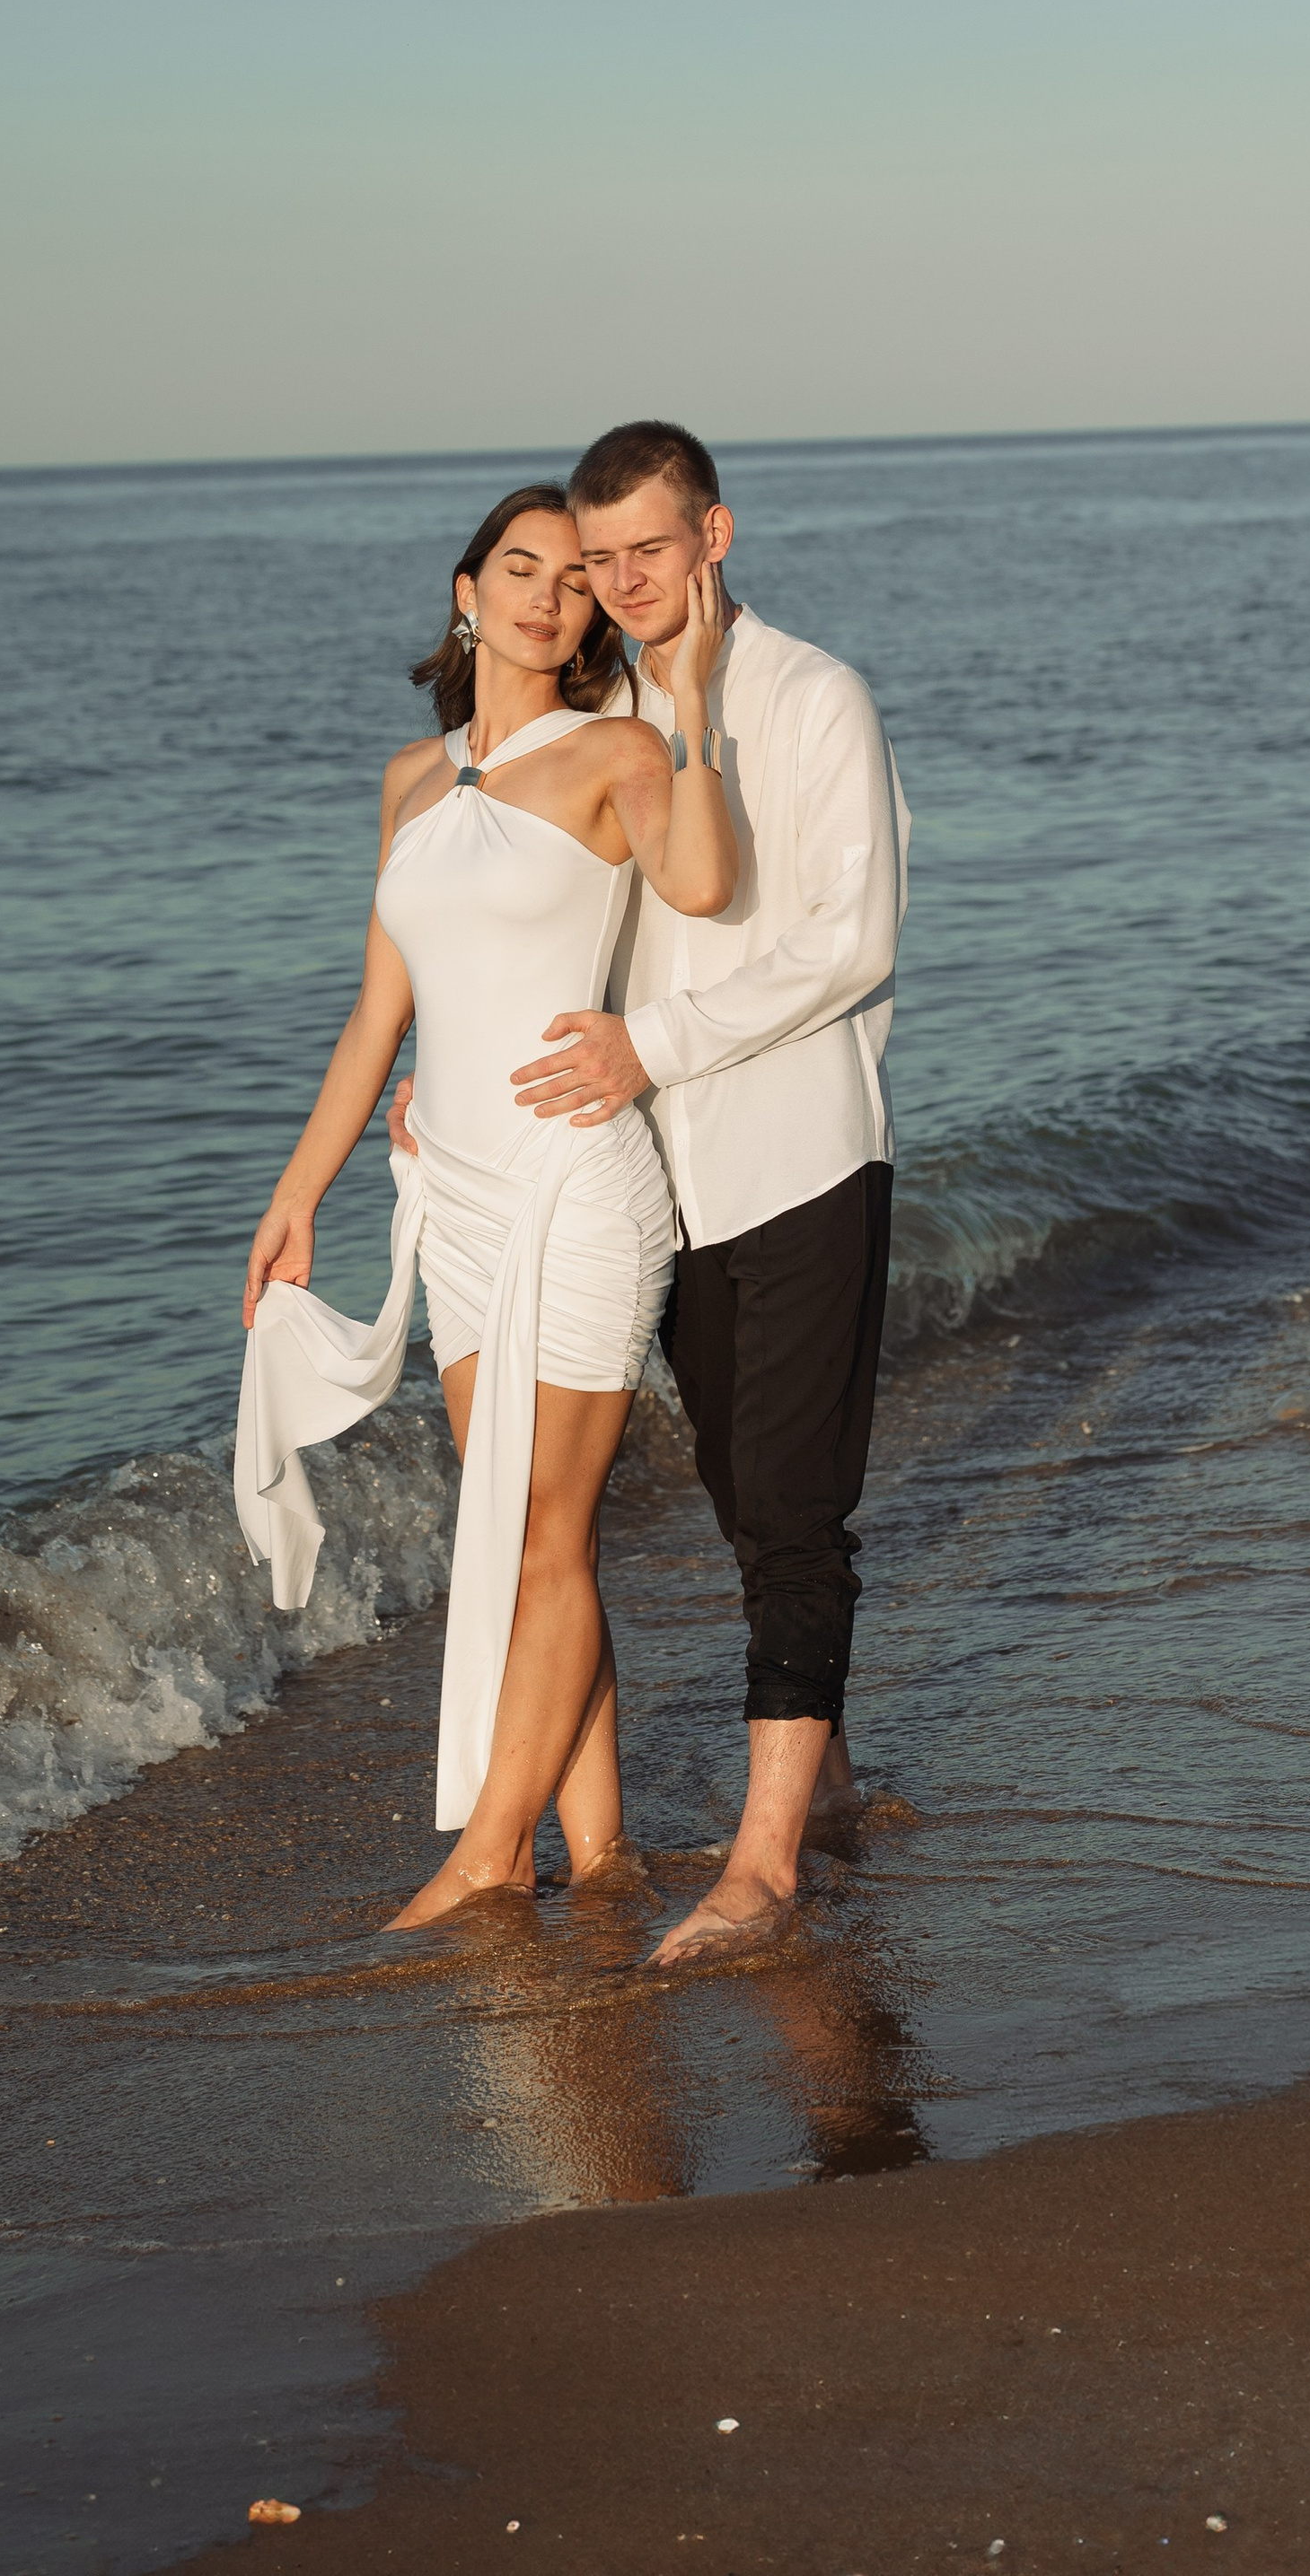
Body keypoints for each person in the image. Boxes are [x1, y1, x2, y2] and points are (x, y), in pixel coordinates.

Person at [423, 417, 910, 1967]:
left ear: (715, 536)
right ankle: (821, 1775)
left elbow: (850, 942)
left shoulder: (815, 695)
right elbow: (545, 938)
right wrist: (444, 1109)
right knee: (730, 1496)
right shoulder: (600, 713)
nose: (623, 581)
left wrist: (655, 1044)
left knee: (790, 1510)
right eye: (599, 557)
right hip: (647, 1179)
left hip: (801, 1153)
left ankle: (761, 1868)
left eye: (651, 547)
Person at [234, 481, 736, 1928]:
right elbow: (377, 1012)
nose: (545, 596)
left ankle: (488, 1854)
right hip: (447, 1194)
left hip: (575, 1186)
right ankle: (606, 1848)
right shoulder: (412, 777)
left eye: (575, 580)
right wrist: (297, 1196)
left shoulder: (617, 750)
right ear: (467, 588)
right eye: (520, 569)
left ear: (591, 616)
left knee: (543, 1532)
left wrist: (688, 697)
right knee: (525, 1530)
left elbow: (700, 884)